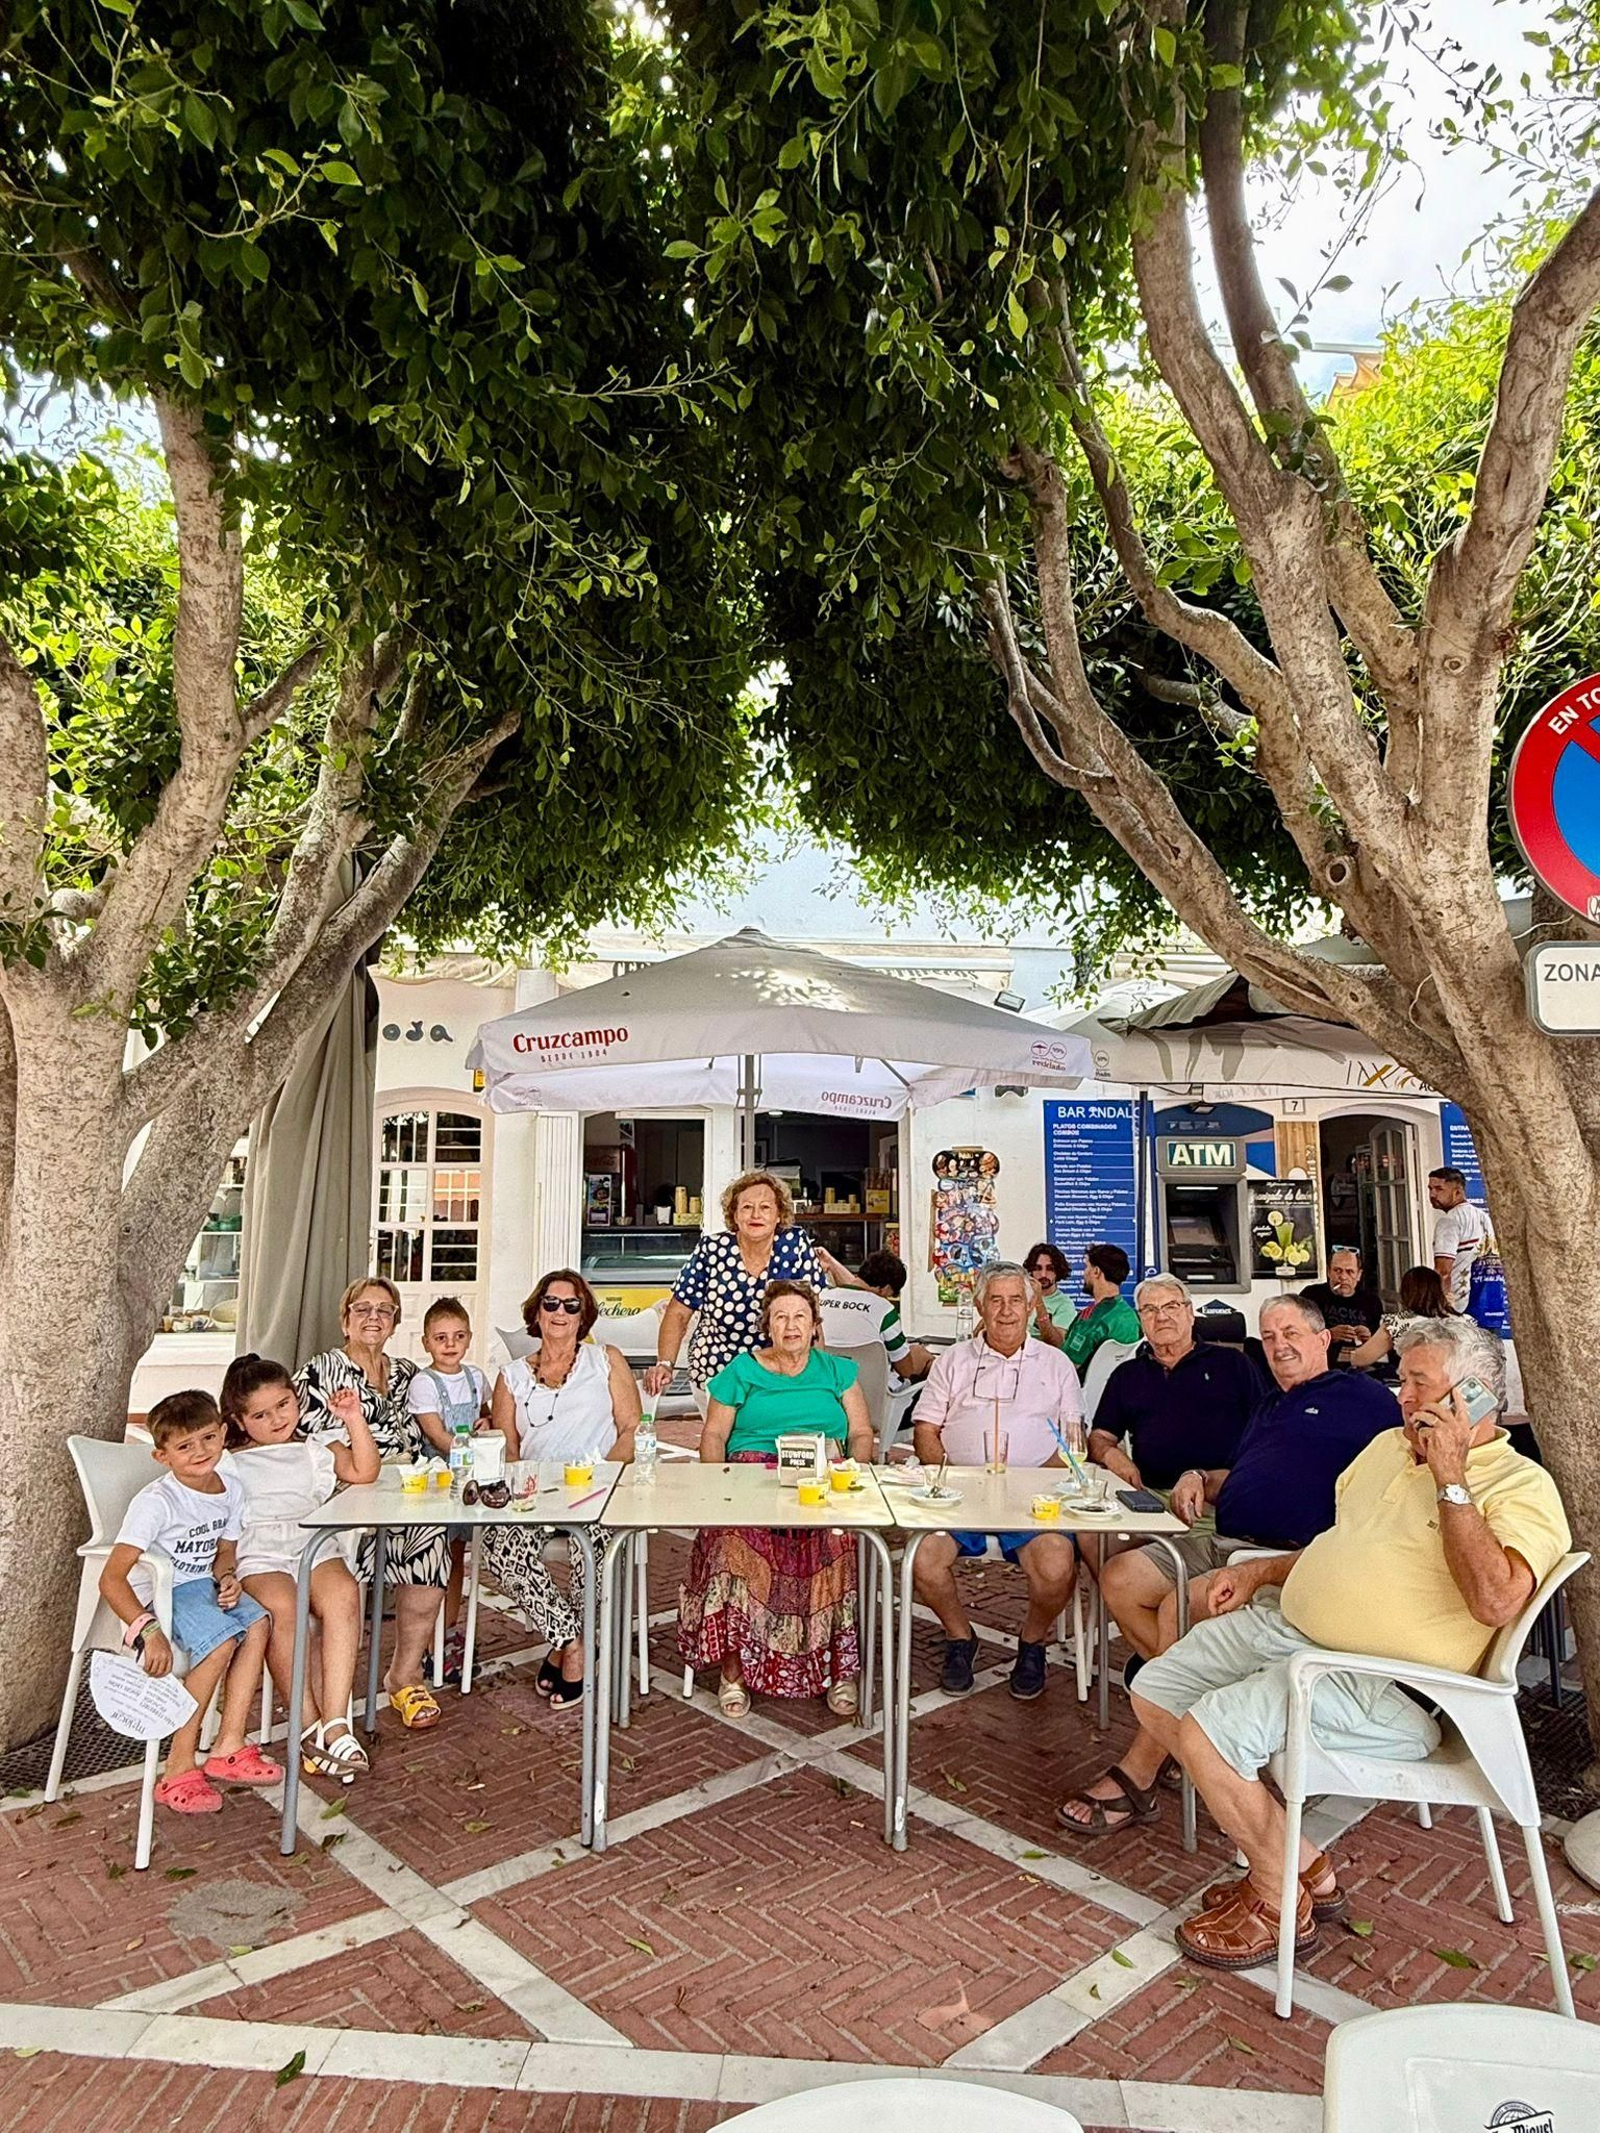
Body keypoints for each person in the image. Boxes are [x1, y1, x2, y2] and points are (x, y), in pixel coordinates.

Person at [1131, 1314, 1569, 1969]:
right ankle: (1304, 1864)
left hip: (1383, 1680)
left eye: (1418, 1384)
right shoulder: (1388, 1448)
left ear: (1475, 1395)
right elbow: (1343, 1547)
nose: (1402, 1396)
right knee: (1156, 1690)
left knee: (1209, 1735)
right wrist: (1259, 1571)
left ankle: (1278, 1901)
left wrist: (1451, 1478)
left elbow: (1495, 1599)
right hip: (1293, 1631)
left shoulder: (1519, 1485)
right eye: (1403, 1380)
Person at [1060, 1293, 1397, 1833]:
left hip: (1283, 1555)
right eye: (1271, 1336)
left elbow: (1404, 1468)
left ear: (1323, 1340)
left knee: (1178, 1608)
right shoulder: (1272, 1403)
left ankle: (1142, 1770)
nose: (1280, 1346)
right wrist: (1199, 1476)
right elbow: (1238, 1474)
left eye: (1291, 1334)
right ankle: (1193, 1725)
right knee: (1121, 1578)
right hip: (1222, 1536)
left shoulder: (1362, 1398)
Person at [678, 1279, 873, 1718]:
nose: (790, 1325)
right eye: (780, 1317)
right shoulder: (741, 1371)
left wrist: (853, 1469)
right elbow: (713, 1435)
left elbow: (862, 1433)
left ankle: (838, 1670)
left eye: (800, 1316)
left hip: (822, 1476)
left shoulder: (838, 1371)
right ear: (767, 1325)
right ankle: (733, 1671)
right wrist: (718, 1483)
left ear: (815, 1324)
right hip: (751, 1476)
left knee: (836, 1540)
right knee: (733, 1542)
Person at [99, 1390, 281, 1815]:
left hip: (201, 1585)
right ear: (162, 1457)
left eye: (207, 1438)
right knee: (221, 1641)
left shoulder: (231, 1489)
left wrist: (228, 1577)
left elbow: (224, 1551)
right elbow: (111, 1578)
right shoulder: (157, 1503)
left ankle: (228, 1744)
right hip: (160, 1594)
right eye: (184, 1446)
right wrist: (148, 1630)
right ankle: (179, 1764)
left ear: (223, 1433)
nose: (200, 1452)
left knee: (258, 1623)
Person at [910, 1261, 1083, 1701]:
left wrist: (1033, 1486)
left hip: (1034, 1499)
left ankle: (1032, 1642)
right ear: (979, 1307)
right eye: (996, 1301)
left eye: (1015, 1301)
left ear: (1031, 1306)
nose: (1006, 1311)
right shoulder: (953, 1360)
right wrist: (947, 1476)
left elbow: (1072, 1440)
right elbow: (925, 1430)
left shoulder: (1057, 1364)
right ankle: (959, 1636)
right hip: (960, 1496)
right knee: (923, 1560)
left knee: (1057, 1564)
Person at [296, 1276, 451, 1732]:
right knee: (341, 1578)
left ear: (395, 1322)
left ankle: (404, 1675)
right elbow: (303, 1435)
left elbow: (432, 1425)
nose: (373, 1317)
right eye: (362, 1309)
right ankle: (332, 1701)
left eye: (384, 1310)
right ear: (345, 1320)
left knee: (431, 1541)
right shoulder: (323, 1369)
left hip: (405, 1490)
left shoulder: (408, 1373)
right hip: (345, 1489)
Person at [484, 1269, 640, 1711]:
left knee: (595, 1549)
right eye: (551, 1303)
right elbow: (509, 1450)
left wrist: (603, 1478)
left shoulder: (605, 1360)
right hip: (536, 1493)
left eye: (572, 1305)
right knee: (498, 1547)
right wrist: (524, 1490)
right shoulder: (511, 1376)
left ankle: (566, 1647)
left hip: (596, 1488)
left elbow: (631, 1428)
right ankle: (572, 1641)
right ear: (536, 1312)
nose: (560, 1312)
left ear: (582, 1315)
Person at [221, 1355, 379, 1781]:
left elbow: (364, 1470)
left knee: (344, 1594)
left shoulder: (316, 1448)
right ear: (239, 1420)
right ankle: (307, 1722)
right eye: (260, 1415)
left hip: (310, 1543)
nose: (277, 1419)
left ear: (297, 1399)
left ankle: (336, 1721)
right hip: (260, 1552)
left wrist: (353, 1419)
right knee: (283, 1608)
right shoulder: (231, 1462)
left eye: (283, 1405)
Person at [1086, 1275, 1265, 1597]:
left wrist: (1228, 1484)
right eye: (1150, 1310)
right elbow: (1100, 1436)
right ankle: (1128, 1606)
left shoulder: (1233, 1365)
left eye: (1171, 1306)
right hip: (1148, 1498)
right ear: (1140, 1319)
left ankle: (1158, 1609)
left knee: (1183, 1579)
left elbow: (1266, 1437)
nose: (1162, 1317)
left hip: (1215, 1499)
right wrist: (1113, 1456)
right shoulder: (1128, 1374)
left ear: (1190, 1312)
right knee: (1090, 1537)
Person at [644, 1170, 827, 1402]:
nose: (755, 1215)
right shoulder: (712, 1250)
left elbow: (811, 1317)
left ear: (779, 1215)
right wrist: (665, 1364)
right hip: (717, 1370)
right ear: (735, 1215)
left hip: (782, 1371)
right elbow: (678, 1313)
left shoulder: (795, 1244)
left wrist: (818, 1374)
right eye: (747, 1207)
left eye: (765, 1207)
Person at [408, 1296, 493, 1684]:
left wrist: (485, 1424)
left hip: (469, 1482)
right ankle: (427, 1641)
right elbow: (436, 1434)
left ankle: (449, 1630)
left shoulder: (476, 1377)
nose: (450, 1344)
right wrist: (467, 1448)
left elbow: (487, 1413)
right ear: (426, 1341)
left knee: (457, 1554)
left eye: (458, 1336)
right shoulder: (425, 1384)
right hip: (440, 1480)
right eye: (440, 1337)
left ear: (469, 1338)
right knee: (435, 1559)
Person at [815, 1246, 934, 1383]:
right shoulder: (884, 1310)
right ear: (886, 1288)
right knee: (924, 1358)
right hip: (872, 1389)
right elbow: (906, 1370)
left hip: (824, 1382)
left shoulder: (820, 1299)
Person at [1345, 1264, 1455, 1370]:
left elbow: (1361, 1359)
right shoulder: (1459, 1320)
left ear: (1406, 1292)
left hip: (1413, 1379)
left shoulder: (1397, 1323)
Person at [1298, 1248, 1386, 1369]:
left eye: (1350, 1272)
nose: (1343, 1277)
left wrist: (1369, 1338)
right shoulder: (1311, 1295)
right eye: (1337, 1271)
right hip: (1321, 1365)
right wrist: (1329, 1335)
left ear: (1359, 1275)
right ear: (1328, 1271)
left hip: (1361, 1367)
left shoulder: (1371, 1302)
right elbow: (1298, 1335)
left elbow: (1381, 1345)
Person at [1061, 1245, 1142, 1374]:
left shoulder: (1090, 1321)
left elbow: (1067, 1365)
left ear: (1096, 1271)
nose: (1084, 1273)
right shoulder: (1132, 1317)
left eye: (1086, 1267)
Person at [1430, 1166, 1491, 1311]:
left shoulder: (1449, 1221)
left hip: (1459, 1306)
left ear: (1457, 1192)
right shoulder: (1483, 1217)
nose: (1432, 1194)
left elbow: (1443, 1272)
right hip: (1489, 1302)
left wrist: (1439, 1307)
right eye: (1430, 1189)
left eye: (1439, 1189)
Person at [1024, 1242, 1076, 1345]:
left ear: (1057, 1271)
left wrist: (1039, 1301)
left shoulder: (1065, 1304)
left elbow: (1057, 1342)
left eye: (1049, 1269)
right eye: (1038, 1268)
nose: (1043, 1274)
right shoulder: (1021, 1296)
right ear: (1031, 1271)